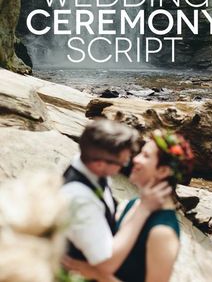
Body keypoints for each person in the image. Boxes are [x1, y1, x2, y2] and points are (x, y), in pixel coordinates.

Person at [62, 119, 172, 281]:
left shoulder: (88, 163)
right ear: (99, 164)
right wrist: (143, 209)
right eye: (123, 162)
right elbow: (105, 263)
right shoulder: (79, 199)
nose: (129, 164)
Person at [115, 129, 194, 282]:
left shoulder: (163, 232)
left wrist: (97, 274)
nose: (135, 159)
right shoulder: (135, 203)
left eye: (145, 156)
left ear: (163, 171)